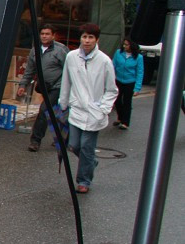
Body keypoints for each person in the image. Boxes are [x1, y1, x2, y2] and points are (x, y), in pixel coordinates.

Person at [59, 23, 119, 194]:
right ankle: (90, 162)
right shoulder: (71, 57)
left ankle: (84, 180)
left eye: (90, 37)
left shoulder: (104, 61)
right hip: (77, 108)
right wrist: (63, 103)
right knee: (74, 145)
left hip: (94, 112)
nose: (87, 41)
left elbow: (112, 89)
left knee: (86, 146)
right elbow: (66, 81)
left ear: (96, 39)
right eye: (84, 37)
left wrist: (103, 109)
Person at [16, 24, 70, 152]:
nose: (44, 36)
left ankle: (35, 140)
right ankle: (65, 137)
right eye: (42, 34)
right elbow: (29, 70)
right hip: (44, 86)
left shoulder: (60, 50)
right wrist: (23, 85)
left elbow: (70, 69)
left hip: (58, 86)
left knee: (44, 110)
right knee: (56, 112)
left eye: (47, 34)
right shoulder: (35, 51)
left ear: (53, 35)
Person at [111, 37, 144, 130]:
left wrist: (137, 88)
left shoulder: (138, 57)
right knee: (116, 100)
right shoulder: (118, 53)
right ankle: (120, 117)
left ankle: (125, 122)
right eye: (124, 44)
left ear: (132, 45)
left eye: (126, 44)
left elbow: (140, 73)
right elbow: (113, 66)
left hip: (130, 82)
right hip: (118, 80)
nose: (124, 46)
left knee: (127, 102)